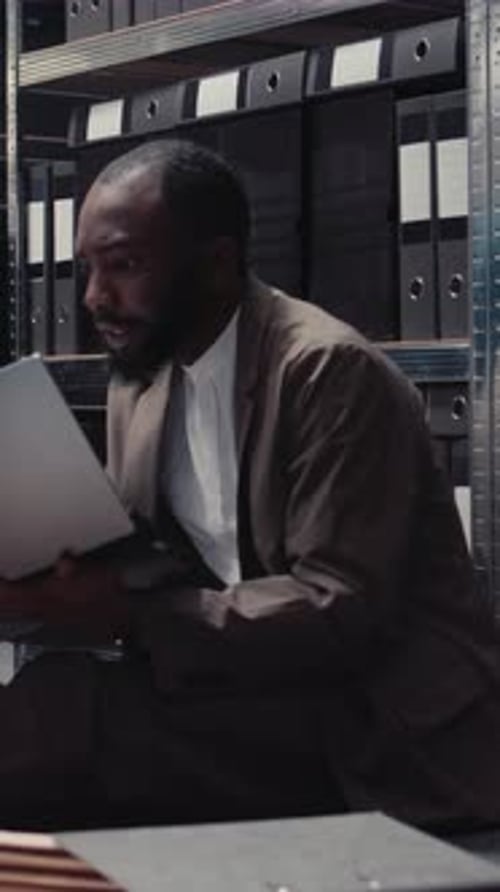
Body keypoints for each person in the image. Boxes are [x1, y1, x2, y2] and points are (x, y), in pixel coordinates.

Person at [0, 138, 500, 832]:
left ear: (216, 264)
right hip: (248, 688)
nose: (94, 298)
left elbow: (338, 608)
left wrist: (122, 611)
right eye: (88, 268)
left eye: (124, 266)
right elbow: (147, 557)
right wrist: (43, 579)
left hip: (374, 722)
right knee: (45, 701)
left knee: (55, 729)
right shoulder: (142, 376)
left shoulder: (328, 371)